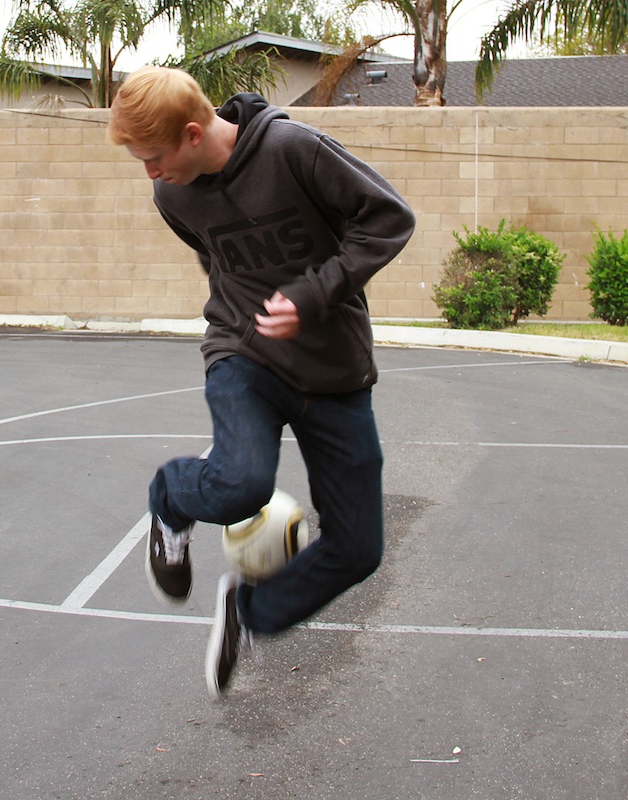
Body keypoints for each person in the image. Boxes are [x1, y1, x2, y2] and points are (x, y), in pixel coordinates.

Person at [108, 66, 416, 700]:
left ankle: (252, 611)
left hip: (333, 370)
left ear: (194, 134)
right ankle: (171, 500)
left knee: (359, 548)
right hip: (242, 354)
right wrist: (248, 310)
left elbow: (388, 219)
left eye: (154, 158)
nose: (150, 174)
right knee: (242, 483)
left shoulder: (293, 150)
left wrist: (314, 293)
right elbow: (215, 258)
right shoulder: (174, 195)